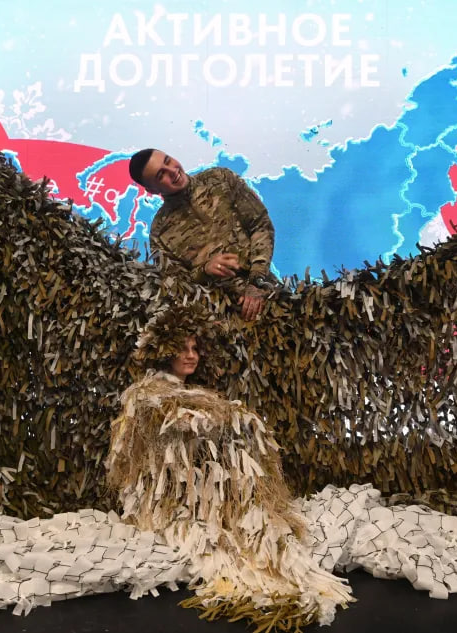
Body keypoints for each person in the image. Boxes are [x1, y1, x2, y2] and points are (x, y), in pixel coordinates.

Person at [106, 303, 352, 630]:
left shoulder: (191, 393)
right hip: (173, 500)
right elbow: (172, 433)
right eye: (182, 348)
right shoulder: (148, 394)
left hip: (199, 491)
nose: (191, 355)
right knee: (231, 537)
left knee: (258, 524)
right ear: (164, 351)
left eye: (195, 348)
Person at [128, 149, 276, 321]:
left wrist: (256, 281)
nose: (172, 171)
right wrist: (204, 271)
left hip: (269, 299)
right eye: (161, 175)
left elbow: (260, 225)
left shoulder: (220, 179)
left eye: (168, 161)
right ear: (152, 190)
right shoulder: (159, 232)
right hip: (223, 322)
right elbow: (176, 286)